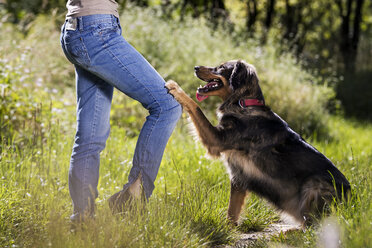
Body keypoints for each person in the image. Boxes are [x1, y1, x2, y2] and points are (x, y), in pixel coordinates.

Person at [60, 0, 182, 222]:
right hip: (96, 31)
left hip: (79, 26)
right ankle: (133, 197)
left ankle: (82, 221)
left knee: (90, 136)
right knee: (167, 105)